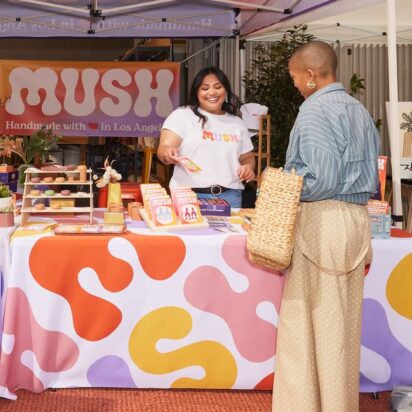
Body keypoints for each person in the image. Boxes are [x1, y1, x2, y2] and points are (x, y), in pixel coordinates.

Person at [272, 41, 380, 412]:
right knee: (340, 329)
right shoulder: (359, 110)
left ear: (311, 75)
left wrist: (285, 177)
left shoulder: (315, 110)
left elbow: (322, 179)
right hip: (354, 220)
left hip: (322, 219)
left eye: (294, 77)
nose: (295, 85)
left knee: (307, 327)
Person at [157, 66, 255, 208]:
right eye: (205, 88)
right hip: (190, 196)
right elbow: (164, 147)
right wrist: (167, 152)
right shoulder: (183, 115)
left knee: (231, 231)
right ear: (196, 92)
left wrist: (248, 167)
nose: (212, 92)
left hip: (231, 197)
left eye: (217, 87)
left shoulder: (237, 123)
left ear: (225, 90)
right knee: (190, 231)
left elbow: (247, 157)